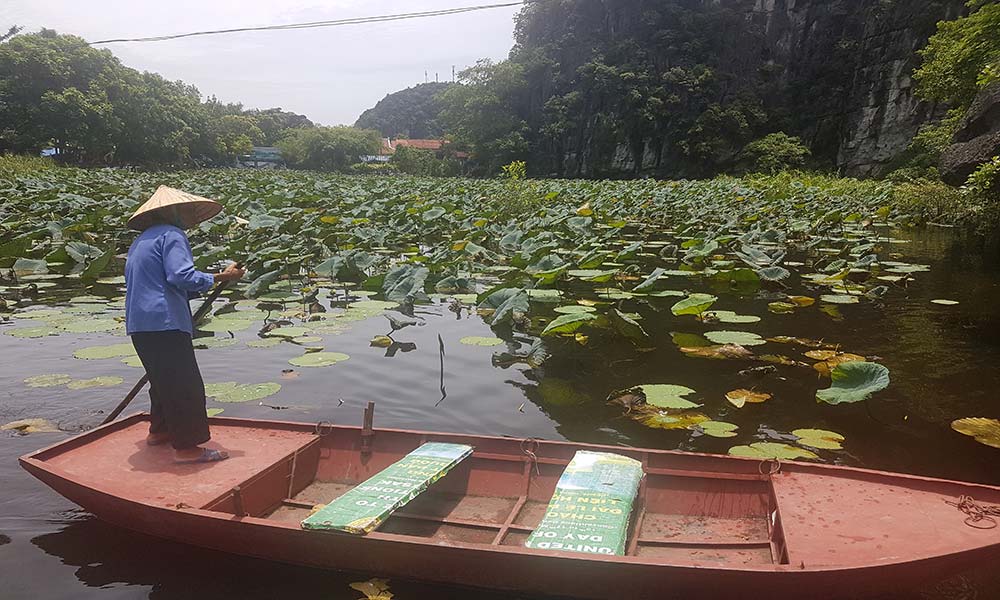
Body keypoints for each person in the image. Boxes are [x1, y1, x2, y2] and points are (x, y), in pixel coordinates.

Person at [124, 186, 245, 464]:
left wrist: (206, 283)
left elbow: (161, 283)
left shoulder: (143, 240)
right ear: (171, 211)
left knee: (162, 380)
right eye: (187, 209)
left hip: (141, 324)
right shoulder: (172, 235)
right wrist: (221, 277)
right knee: (184, 384)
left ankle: (160, 431)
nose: (191, 215)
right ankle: (187, 449)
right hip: (164, 322)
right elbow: (182, 276)